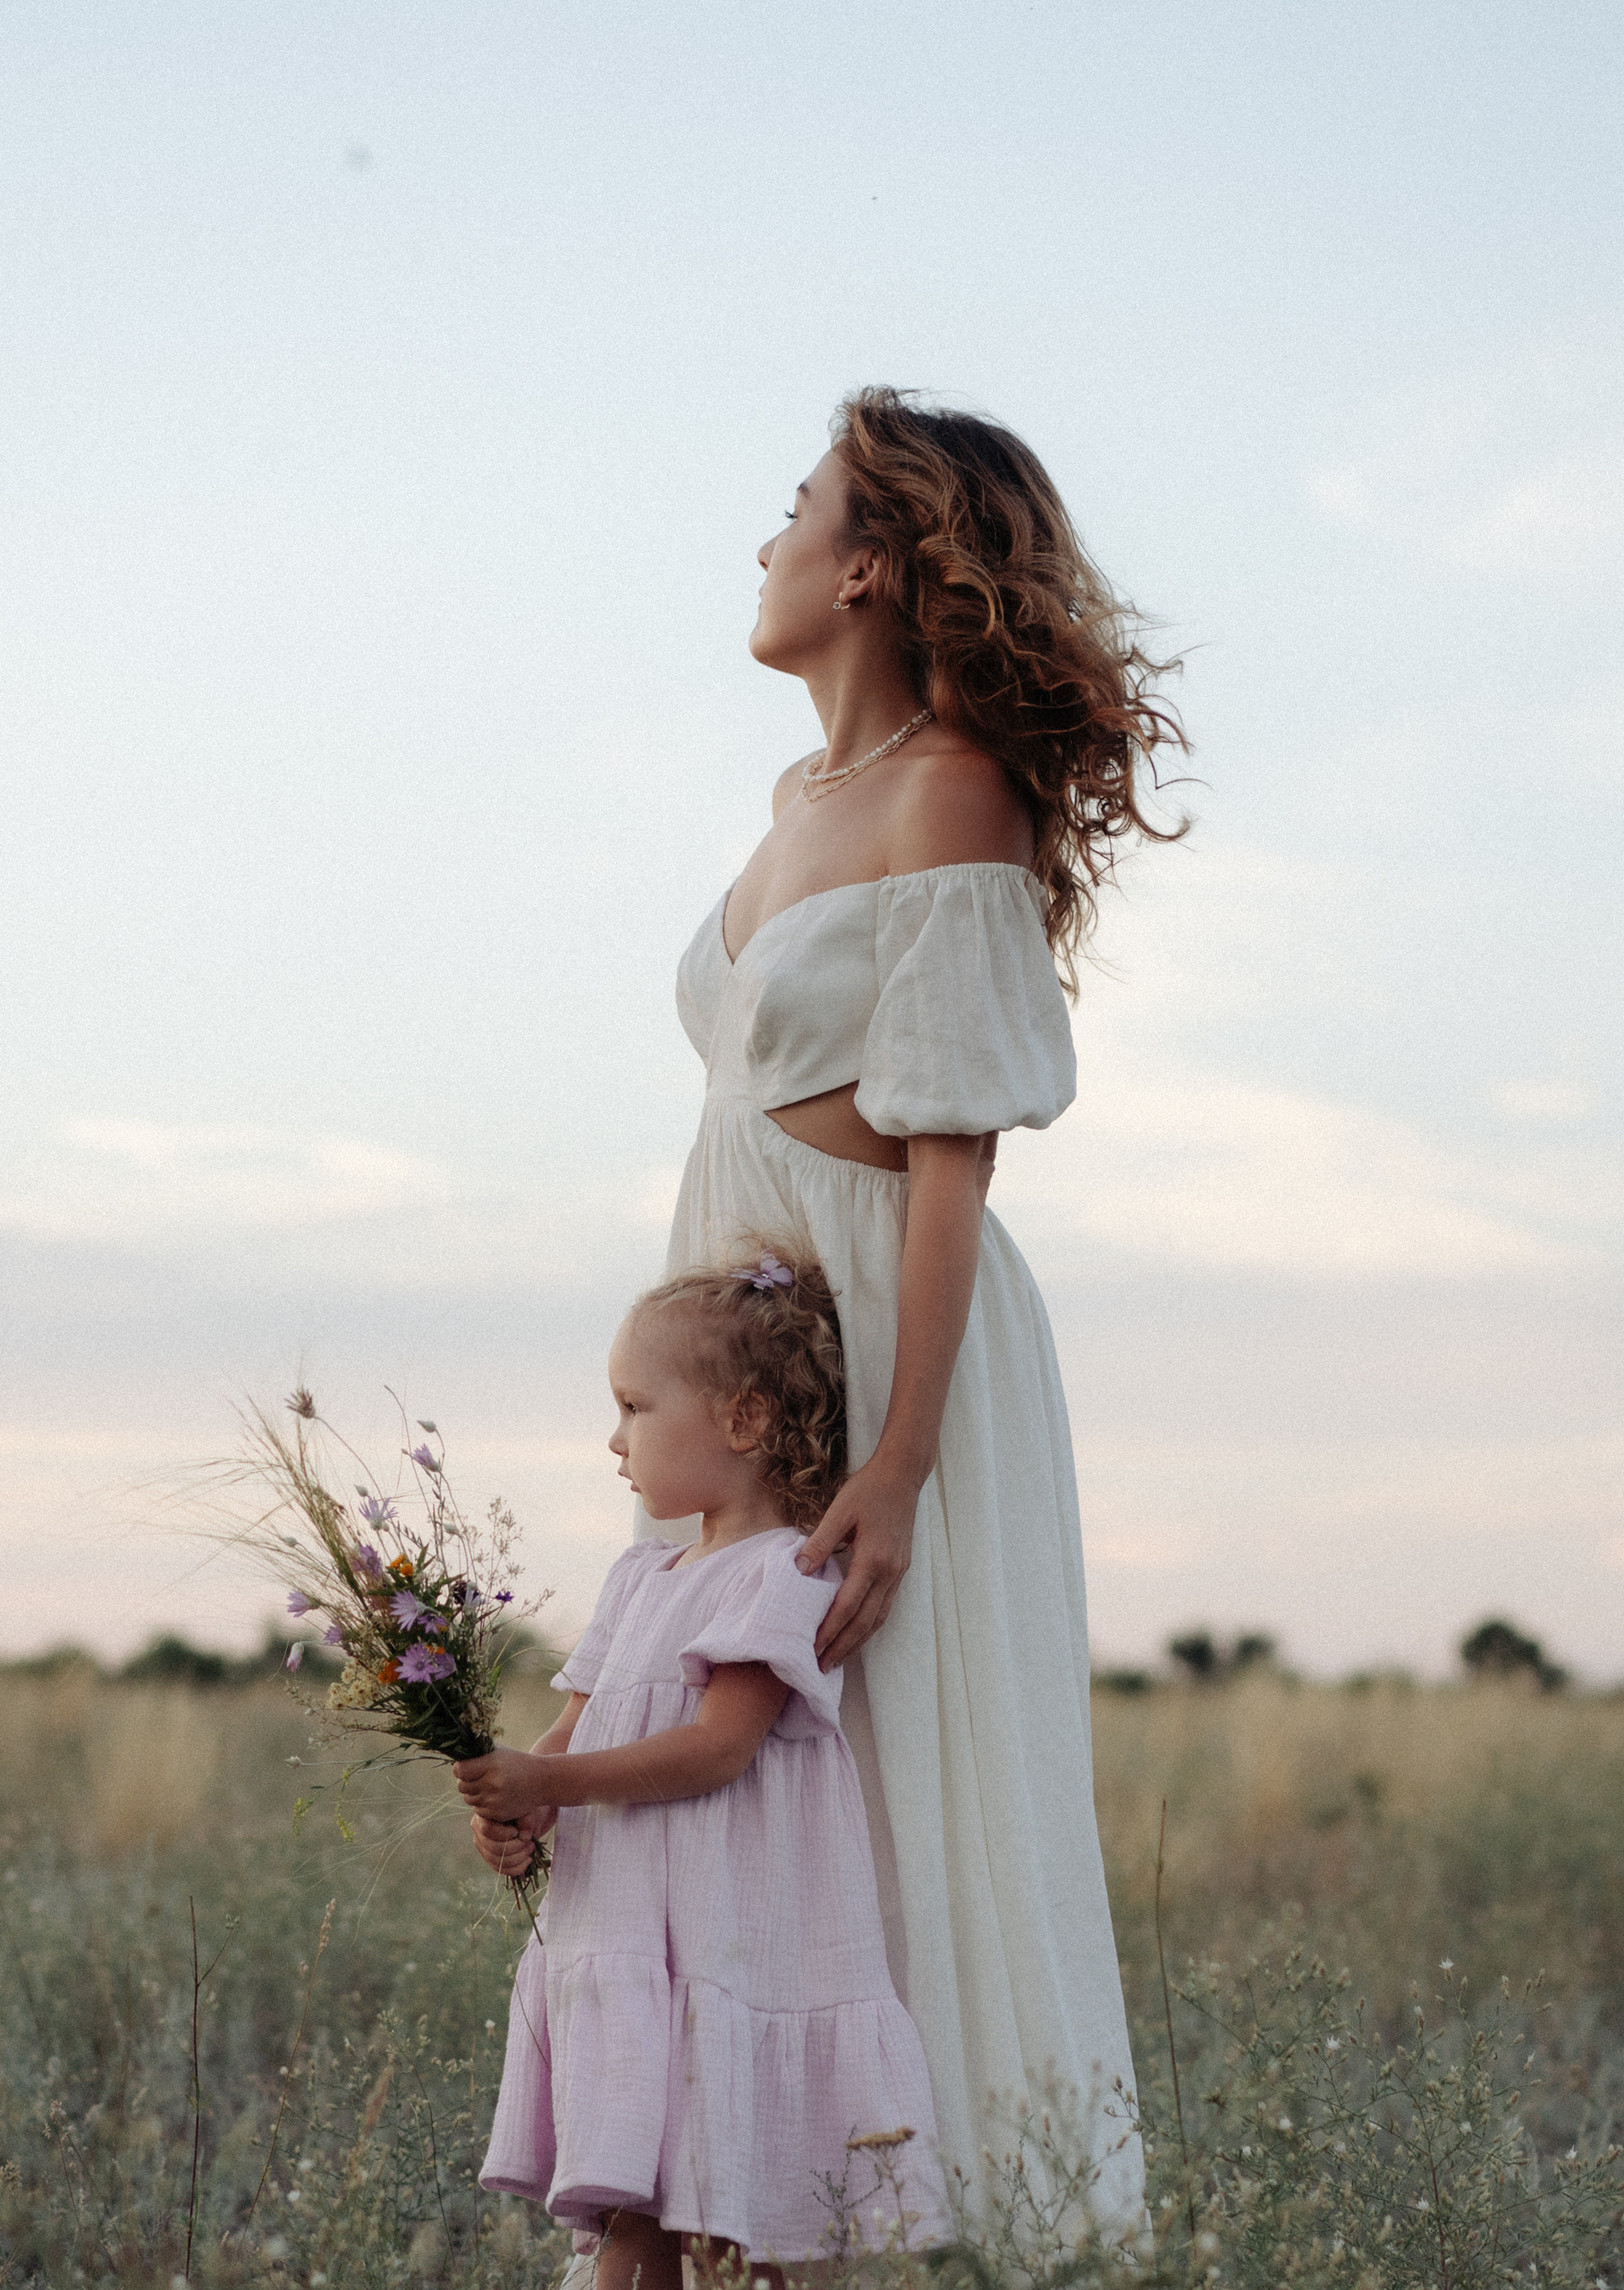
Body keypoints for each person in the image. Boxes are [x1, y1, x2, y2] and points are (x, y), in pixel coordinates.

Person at [656, 387, 1187, 2221]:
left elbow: (949, 1153)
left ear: (870, 561)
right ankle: (741, 2212)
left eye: (791, 506)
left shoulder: (947, 787)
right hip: (752, 1368)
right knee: (739, 1776)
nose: (763, 540)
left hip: (895, 1342)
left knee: (891, 1794)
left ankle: (918, 2220)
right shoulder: (791, 799)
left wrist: (896, 1460)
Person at [457, 1246, 951, 2286]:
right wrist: (521, 1801)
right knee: (627, 2208)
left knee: (727, 2218)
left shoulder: (784, 1572)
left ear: (743, 1420)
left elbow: (719, 1746)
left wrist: (552, 1783)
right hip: (623, 1938)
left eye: (635, 1407)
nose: (614, 1437)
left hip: (726, 1949)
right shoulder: (639, 1575)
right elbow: (574, 1732)